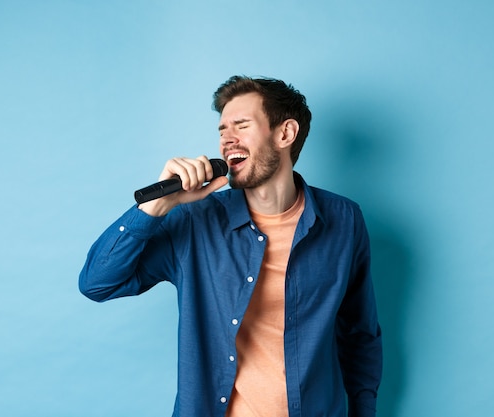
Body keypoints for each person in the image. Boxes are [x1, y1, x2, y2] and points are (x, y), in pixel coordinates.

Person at [79, 75, 383, 416]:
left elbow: (360, 334)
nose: (227, 140)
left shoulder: (344, 220)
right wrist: (156, 208)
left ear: (285, 134)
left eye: (241, 125)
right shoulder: (195, 221)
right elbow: (97, 283)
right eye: (222, 130)